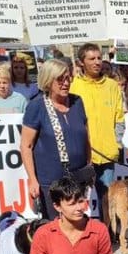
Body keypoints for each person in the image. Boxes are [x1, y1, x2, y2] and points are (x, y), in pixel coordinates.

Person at [20, 59, 91, 220]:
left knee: (77, 223)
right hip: (51, 181)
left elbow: (86, 136)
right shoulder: (37, 106)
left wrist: (89, 165)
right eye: (60, 79)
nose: (66, 83)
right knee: (56, 228)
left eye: (68, 78)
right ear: (48, 80)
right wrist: (32, 179)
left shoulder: (77, 102)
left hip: (78, 178)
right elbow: (26, 145)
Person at [70, 43, 125, 221]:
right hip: (82, 156)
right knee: (79, 198)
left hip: (107, 153)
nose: (97, 62)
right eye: (91, 59)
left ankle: (109, 234)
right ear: (81, 62)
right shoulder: (73, 86)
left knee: (108, 197)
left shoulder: (112, 85)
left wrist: (116, 143)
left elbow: (119, 117)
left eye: (99, 58)